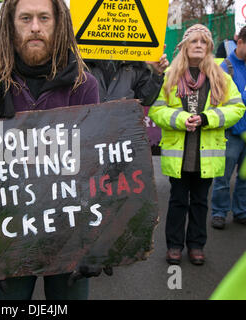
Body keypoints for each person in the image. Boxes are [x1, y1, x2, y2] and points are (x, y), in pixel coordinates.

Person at [0, 0, 101, 300]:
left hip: (70, 230)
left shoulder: (84, 85)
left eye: (44, 18)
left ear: (59, 25)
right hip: (10, 234)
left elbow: (93, 165)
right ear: (9, 26)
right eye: (25, 18)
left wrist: (97, 241)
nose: (35, 27)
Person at [148, 24, 245, 266]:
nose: (199, 45)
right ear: (185, 46)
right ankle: (173, 246)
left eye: (204, 42)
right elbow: (156, 109)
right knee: (178, 201)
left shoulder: (221, 77)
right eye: (194, 41)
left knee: (201, 202)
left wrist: (207, 119)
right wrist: (181, 120)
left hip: (206, 156)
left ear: (209, 47)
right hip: (179, 155)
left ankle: (196, 245)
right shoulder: (170, 75)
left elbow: (237, 108)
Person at [211, 26, 246, 229]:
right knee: (223, 177)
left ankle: (241, 211)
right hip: (231, 133)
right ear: (239, 42)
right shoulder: (224, 67)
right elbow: (217, 101)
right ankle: (219, 212)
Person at [85, 55, 169, 106]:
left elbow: (145, 99)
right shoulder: (78, 60)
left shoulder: (135, 61)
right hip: (83, 129)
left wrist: (157, 74)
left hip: (123, 131)